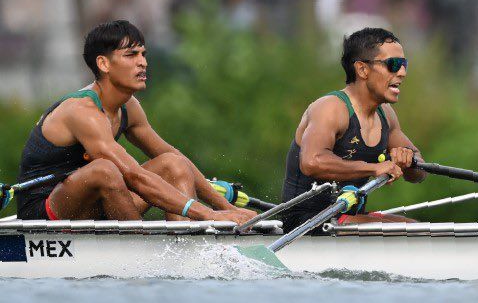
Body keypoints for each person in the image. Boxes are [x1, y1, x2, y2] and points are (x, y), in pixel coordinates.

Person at [15, 20, 255, 223]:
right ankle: (139, 246)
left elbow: (176, 159)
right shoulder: (82, 111)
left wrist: (226, 209)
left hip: (99, 201)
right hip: (46, 209)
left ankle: (185, 248)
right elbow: (133, 176)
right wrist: (208, 214)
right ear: (104, 64)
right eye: (131, 55)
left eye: (143, 54)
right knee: (105, 169)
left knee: (174, 163)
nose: (143, 62)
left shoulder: (130, 108)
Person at [278, 27, 425, 230]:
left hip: (346, 220)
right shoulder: (330, 108)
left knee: (415, 228)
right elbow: (312, 162)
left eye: (404, 64)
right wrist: (374, 168)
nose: (402, 72)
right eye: (394, 64)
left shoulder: (386, 114)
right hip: (306, 223)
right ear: (362, 69)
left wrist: (409, 160)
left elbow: (420, 173)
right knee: (409, 233)